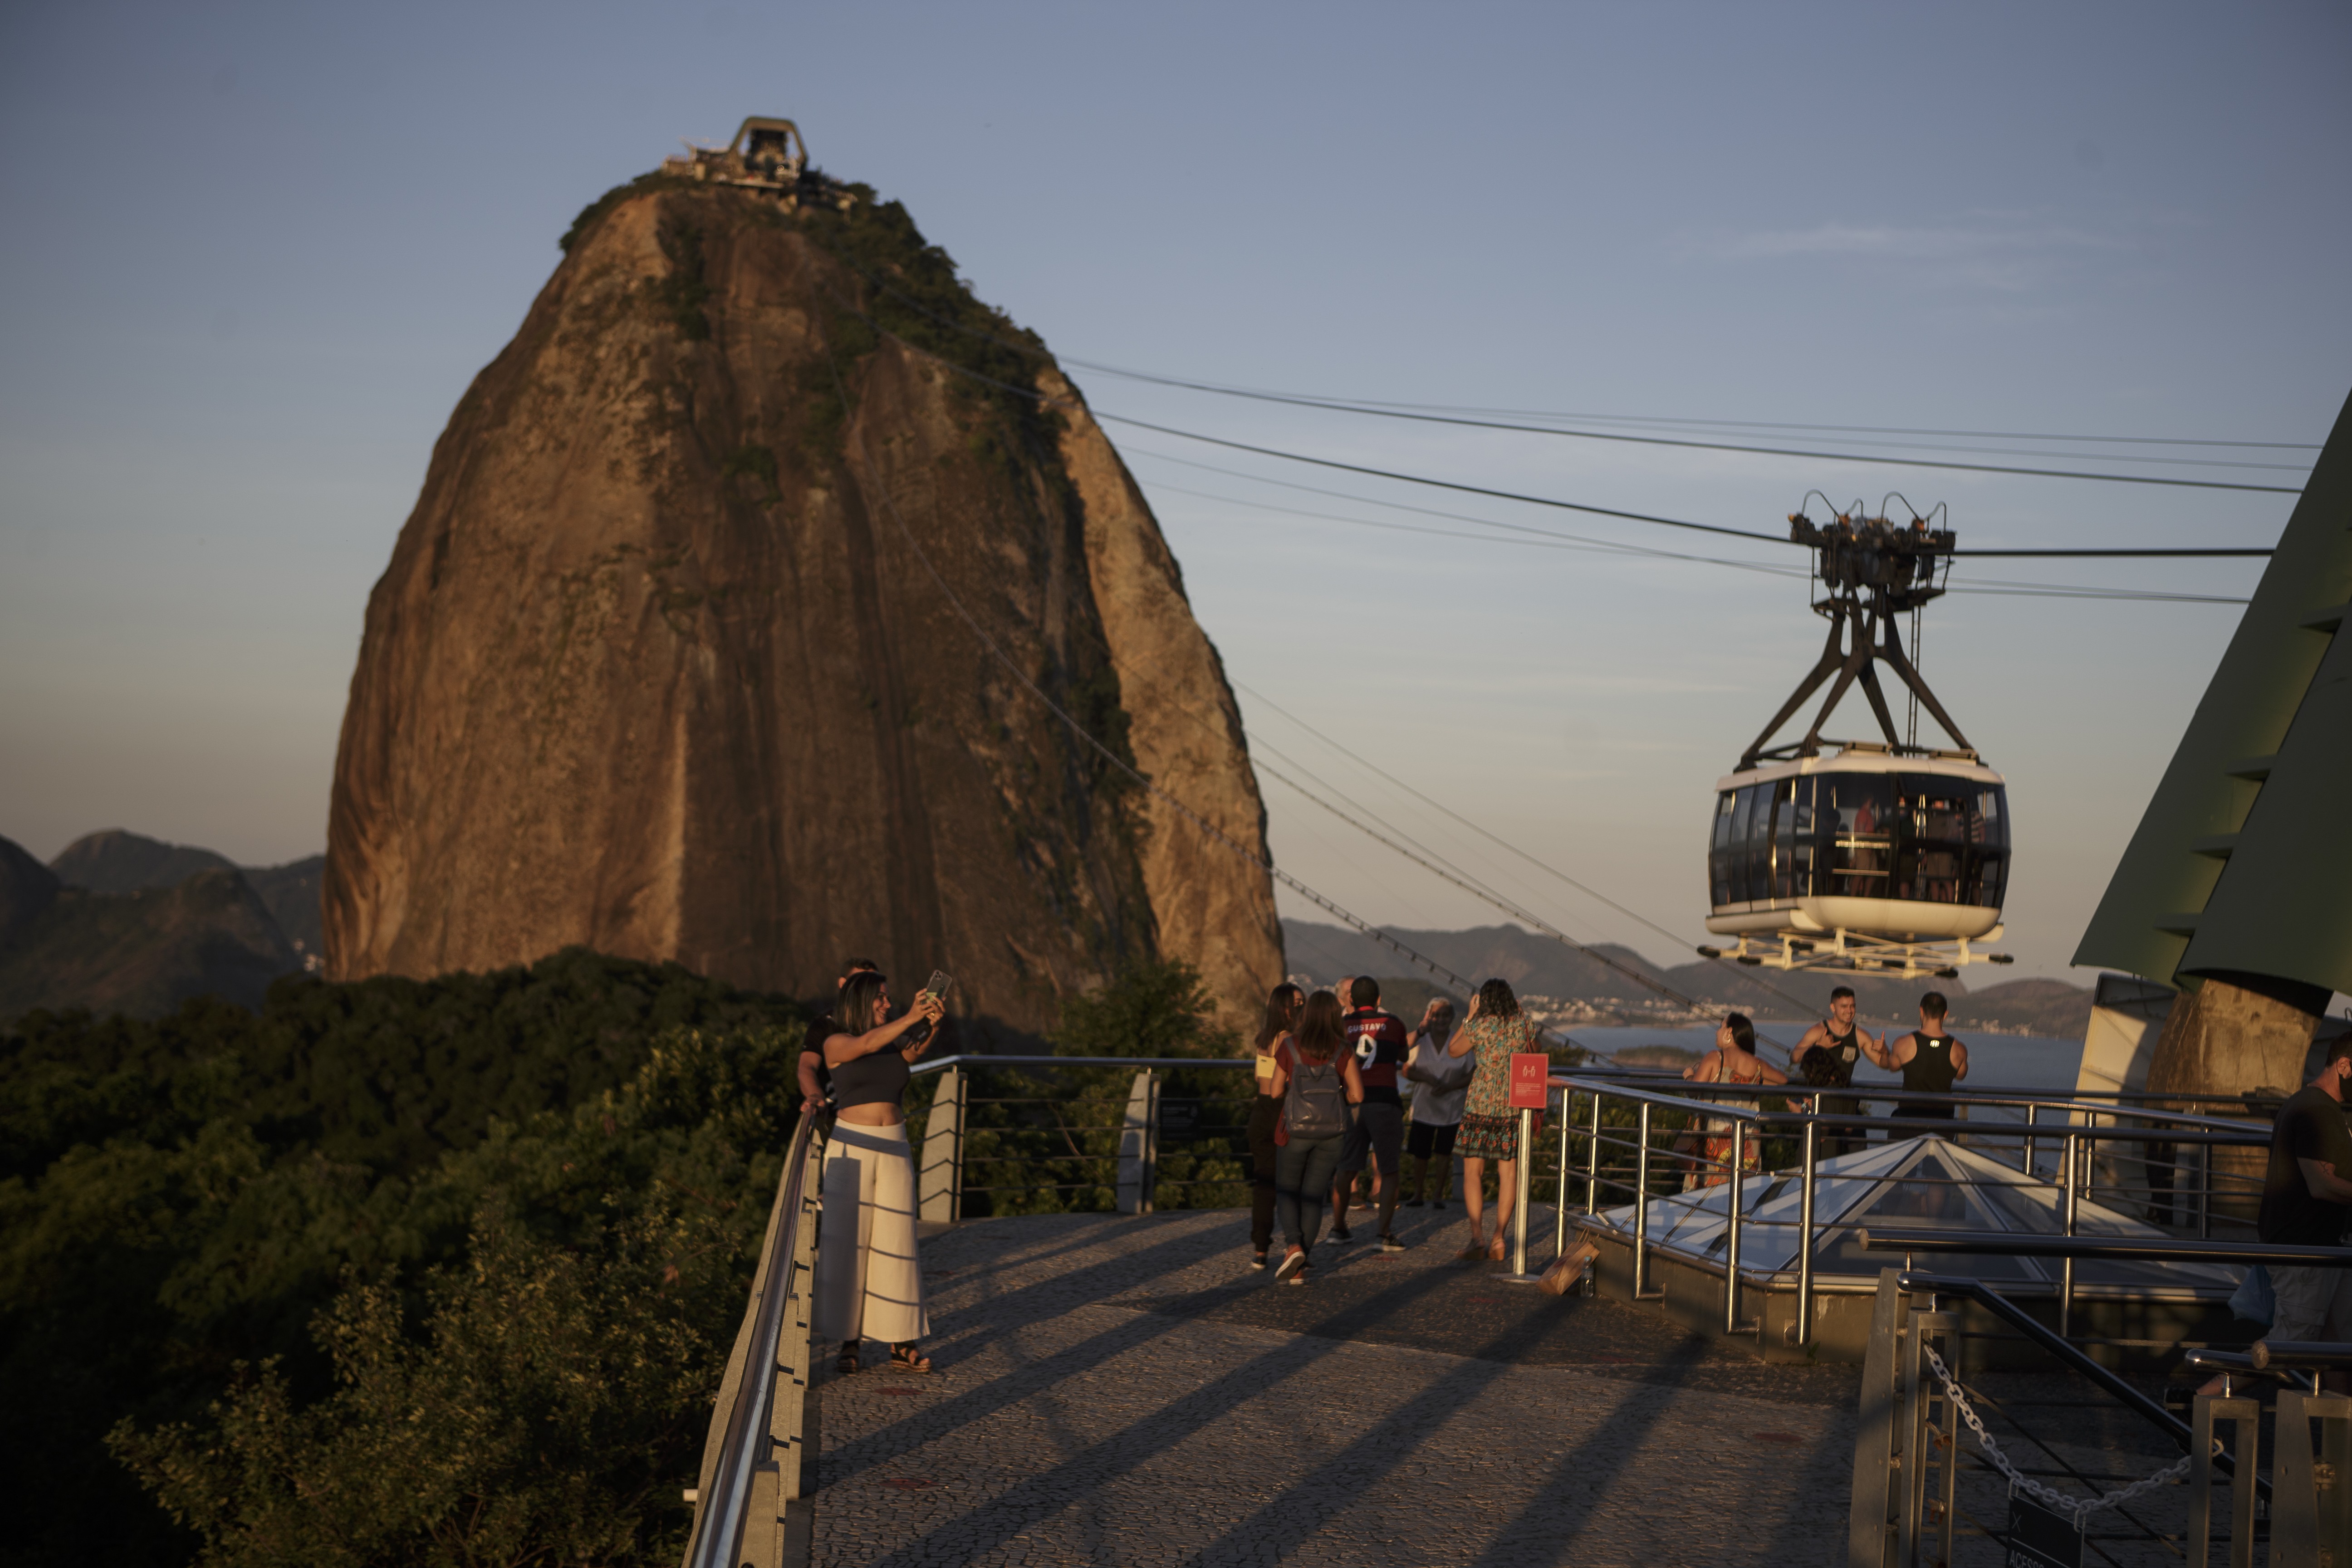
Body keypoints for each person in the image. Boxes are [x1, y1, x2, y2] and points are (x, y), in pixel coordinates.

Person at [813, 970, 947, 1375]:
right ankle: (848, 1342)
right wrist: (908, 1017)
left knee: (897, 1243)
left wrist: (931, 1026)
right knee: (848, 1245)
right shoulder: (837, 1041)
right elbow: (865, 1044)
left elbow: (910, 1053)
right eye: (882, 999)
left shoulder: (889, 1040)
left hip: (894, 1145)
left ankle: (900, 1341)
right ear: (861, 1000)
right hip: (851, 1149)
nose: (887, 1004)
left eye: (888, 999)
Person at [2254, 1036, 2352, 1387]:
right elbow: (2321, 1184)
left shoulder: (2309, 1104)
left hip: (2326, 1251)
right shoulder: (2317, 1109)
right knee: (2289, 1344)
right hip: (2305, 1252)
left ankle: (2340, 1436)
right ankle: (2198, 1401)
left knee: (2343, 1347)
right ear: (2344, 1066)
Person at [1266, 990, 1365, 1284]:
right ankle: (1300, 1262)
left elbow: (1274, 1091)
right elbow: (1358, 1094)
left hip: (1296, 1128)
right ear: (1336, 1017)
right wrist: (1338, 1095)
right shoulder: (1342, 1049)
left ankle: (1293, 1246)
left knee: (1287, 1190)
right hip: (1332, 1132)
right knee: (1313, 1195)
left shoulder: (1290, 1045)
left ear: (1307, 1014)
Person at [1446, 978, 1544, 1261]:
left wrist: (1470, 1015)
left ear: (1484, 1000)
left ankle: (1477, 1238)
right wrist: (1522, 1016)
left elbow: (1454, 1050)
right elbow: (1535, 1049)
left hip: (1479, 1104)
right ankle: (1499, 1239)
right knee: (1509, 1175)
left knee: (1473, 1173)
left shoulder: (1480, 1025)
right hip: (1512, 1105)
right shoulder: (1521, 1024)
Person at [1338, 977, 1412, 1251]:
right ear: (1379, 1000)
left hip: (1352, 1104)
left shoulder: (1342, 1027)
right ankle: (1384, 1233)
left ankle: (1338, 1227)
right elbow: (1404, 1055)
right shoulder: (1393, 1024)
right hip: (1385, 1102)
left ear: (1351, 1001)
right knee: (1390, 1169)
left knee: (1347, 1167)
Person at [1680, 1014, 1788, 1188]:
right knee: (1742, 1193)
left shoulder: (1715, 1057)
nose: (1718, 1031)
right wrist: (1757, 1080)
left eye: (1721, 1026)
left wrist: (1688, 1076)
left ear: (1729, 1032)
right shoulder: (1757, 1064)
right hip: (1747, 1142)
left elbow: (1693, 1090)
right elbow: (1783, 1081)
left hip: (1714, 1142)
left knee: (1708, 1195)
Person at [1246, 982, 1306, 1269]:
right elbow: (1284, 1085)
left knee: (1264, 1184)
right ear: (1284, 1007)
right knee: (1292, 1183)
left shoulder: (1263, 1038)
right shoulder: (1288, 1039)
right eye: (1297, 1003)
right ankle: (1295, 1246)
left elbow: (1262, 1080)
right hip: (1280, 1113)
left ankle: (1260, 1249)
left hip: (1260, 1113)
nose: (1302, 1007)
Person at [1864, 991, 1969, 1126]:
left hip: (1909, 1119)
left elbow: (1892, 1066)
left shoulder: (1903, 1044)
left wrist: (1885, 1052)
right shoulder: (1959, 1049)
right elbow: (1961, 1075)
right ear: (1946, 1014)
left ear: (1921, 1011)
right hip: (1943, 1122)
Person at [1792, 985, 1874, 1157]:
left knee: (1852, 1155)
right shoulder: (1819, 1031)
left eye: (1852, 1006)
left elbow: (1885, 1062)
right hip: (1820, 1101)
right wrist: (1819, 1046)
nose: (1849, 1011)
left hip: (1841, 1101)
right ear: (1833, 1007)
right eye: (1844, 1006)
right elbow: (1794, 1056)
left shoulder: (1859, 1035)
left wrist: (1884, 1051)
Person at [1402, 999, 1470, 1208]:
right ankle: (1418, 1194)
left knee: (1444, 1154)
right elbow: (1407, 1069)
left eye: (1445, 1016)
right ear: (1429, 1017)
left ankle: (1439, 1195)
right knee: (1420, 1154)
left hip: (1452, 1109)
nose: (1440, 1020)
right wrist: (1427, 1078)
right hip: (1424, 1108)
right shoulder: (1421, 1042)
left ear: (1451, 1018)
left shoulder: (1459, 1042)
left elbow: (1471, 1074)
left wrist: (1450, 1086)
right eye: (1436, 1016)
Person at [799, 956, 880, 1115]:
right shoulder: (824, 1024)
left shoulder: (883, 1023)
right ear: (843, 984)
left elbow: (912, 1050)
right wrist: (815, 1095)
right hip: (836, 1117)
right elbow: (807, 1067)